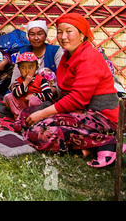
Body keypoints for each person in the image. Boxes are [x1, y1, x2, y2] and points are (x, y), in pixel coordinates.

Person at [14, 13, 120, 168]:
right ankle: (86, 148)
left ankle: (106, 143)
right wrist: (41, 109)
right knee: (25, 117)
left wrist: (43, 113)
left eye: (69, 31)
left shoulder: (89, 57)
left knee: (41, 130)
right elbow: (64, 92)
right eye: (59, 31)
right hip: (79, 111)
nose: (63, 37)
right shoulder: (67, 56)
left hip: (101, 117)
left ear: (83, 35)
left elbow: (77, 98)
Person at [11, 20, 63, 97]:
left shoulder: (55, 51)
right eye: (32, 34)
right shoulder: (23, 52)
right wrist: (17, 90)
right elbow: (15, 77)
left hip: (49, 93)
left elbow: (62, 78)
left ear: (45, 35)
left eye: (40, 34)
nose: (36, 38)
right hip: (24, 92)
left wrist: (49, 92)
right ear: (28, 36)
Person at [3, 52, 53, 118]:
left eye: (30, 67)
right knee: (9, 96)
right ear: (19, 68)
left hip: (35, 108)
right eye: (23, 68)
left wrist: (35, 96)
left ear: (36, 68)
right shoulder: (18, 81)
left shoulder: (41, 80)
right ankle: (18, 115)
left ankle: (31, 116)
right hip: (21, 106)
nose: (27, 71)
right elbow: (16, 94)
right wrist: (26, 82)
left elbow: (49, 95)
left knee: (33, 100)